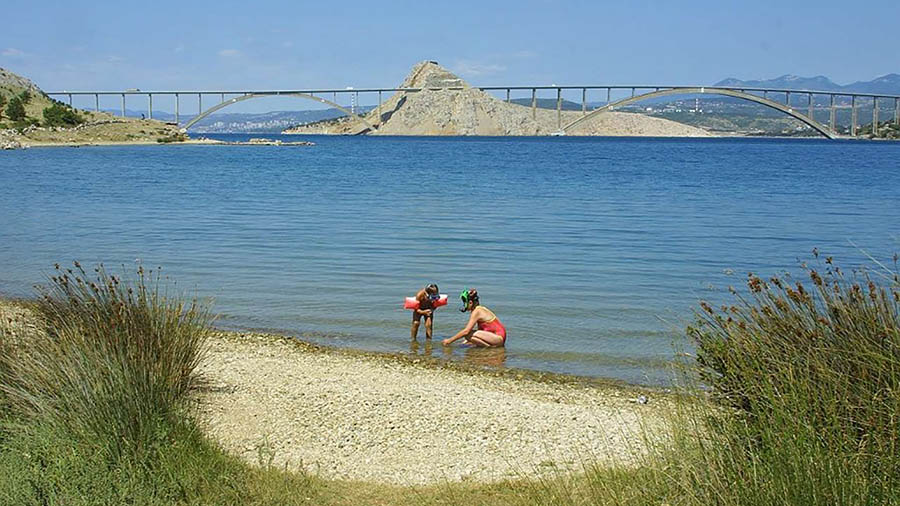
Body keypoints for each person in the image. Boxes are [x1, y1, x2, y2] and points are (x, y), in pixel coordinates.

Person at [442, 288, 507, 347]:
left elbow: (466, 331)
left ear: (470, 303)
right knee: (469, 337)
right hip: (498, 338)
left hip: (498, 338)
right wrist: (464, 343)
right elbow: (480, 331)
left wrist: (449, 341)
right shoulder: (480, 309)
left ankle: (490, 348)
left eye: (464, 302)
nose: (464, 305)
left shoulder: (476, 312)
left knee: (467, 335)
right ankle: (491, 347)